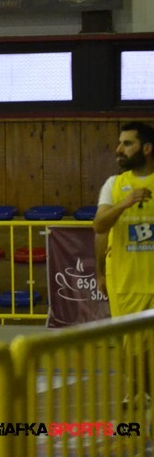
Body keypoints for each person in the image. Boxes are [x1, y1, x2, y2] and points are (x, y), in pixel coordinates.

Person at [93, 122, 154, 408]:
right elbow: (99, 226)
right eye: (119, 143)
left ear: (147, 148)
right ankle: (140, 389)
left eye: (127, 143)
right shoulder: (114, 185)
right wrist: (125, 203)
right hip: (125, 281)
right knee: (131, 347)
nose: (119, 149)